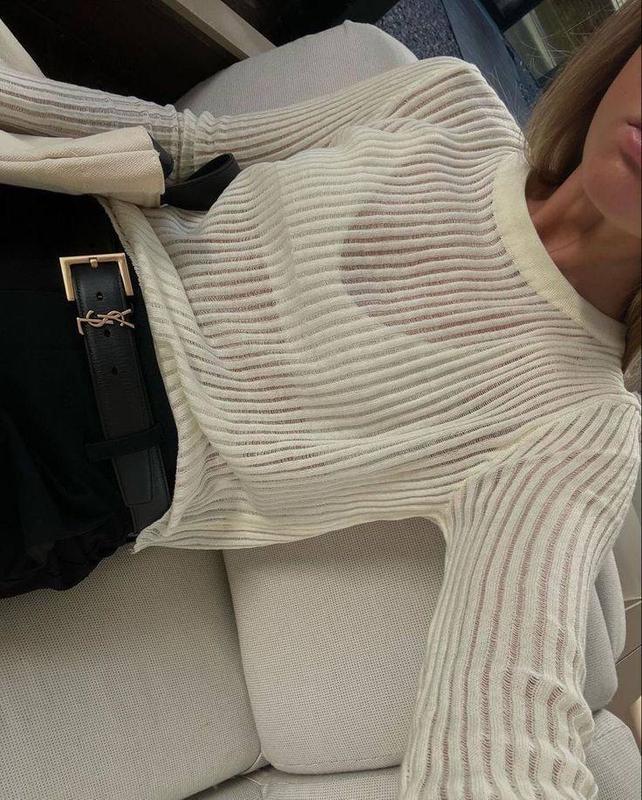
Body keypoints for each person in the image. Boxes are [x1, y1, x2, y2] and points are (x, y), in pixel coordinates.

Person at [0, 2, 640, 798]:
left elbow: (501, 734)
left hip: (65, 442)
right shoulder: (446, 102)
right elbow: (188, 145)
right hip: (56, 224)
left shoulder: (578, 428)